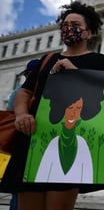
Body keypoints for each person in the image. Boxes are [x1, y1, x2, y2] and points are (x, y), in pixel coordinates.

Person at [0, 0, 104, 210]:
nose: (68, 29)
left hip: (69, 142)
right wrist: (21, 114)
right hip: (33, 141)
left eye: (75, 25)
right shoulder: (47, 59)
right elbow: (24, 93)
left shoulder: (99, 61)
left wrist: (76, 73)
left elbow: (103, 101)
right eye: (65, 25)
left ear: (88, 32)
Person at [6, 59, 40, 210]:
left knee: (19, 189)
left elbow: (9, 115)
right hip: (30, 144)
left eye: (27, 74)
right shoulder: (24, 91)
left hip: (21, 144)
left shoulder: (18, 92)